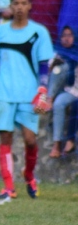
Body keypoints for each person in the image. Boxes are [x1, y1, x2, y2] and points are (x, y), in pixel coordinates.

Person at [0, 0, 54, 203]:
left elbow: (43, 65)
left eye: (23, 3)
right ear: (10, 6)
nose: (19, 7)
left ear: (30, 5)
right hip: (3, 93)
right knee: (5, 138)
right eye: (16, 4)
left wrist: (42, 89)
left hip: (29, 94)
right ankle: (8, 187)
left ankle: (29, 175)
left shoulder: (39, 32)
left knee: (30, 140)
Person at [48, 26, 78, 157]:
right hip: (61, 88)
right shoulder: (56, 51)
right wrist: (53, 65)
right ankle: (57, 144)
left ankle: (62, 143)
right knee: (58, 68)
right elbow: (47, 73)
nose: (66, 38)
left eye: (69, 35)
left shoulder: (76, 52)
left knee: (59, 104)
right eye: (64, 35)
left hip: (75, 90)